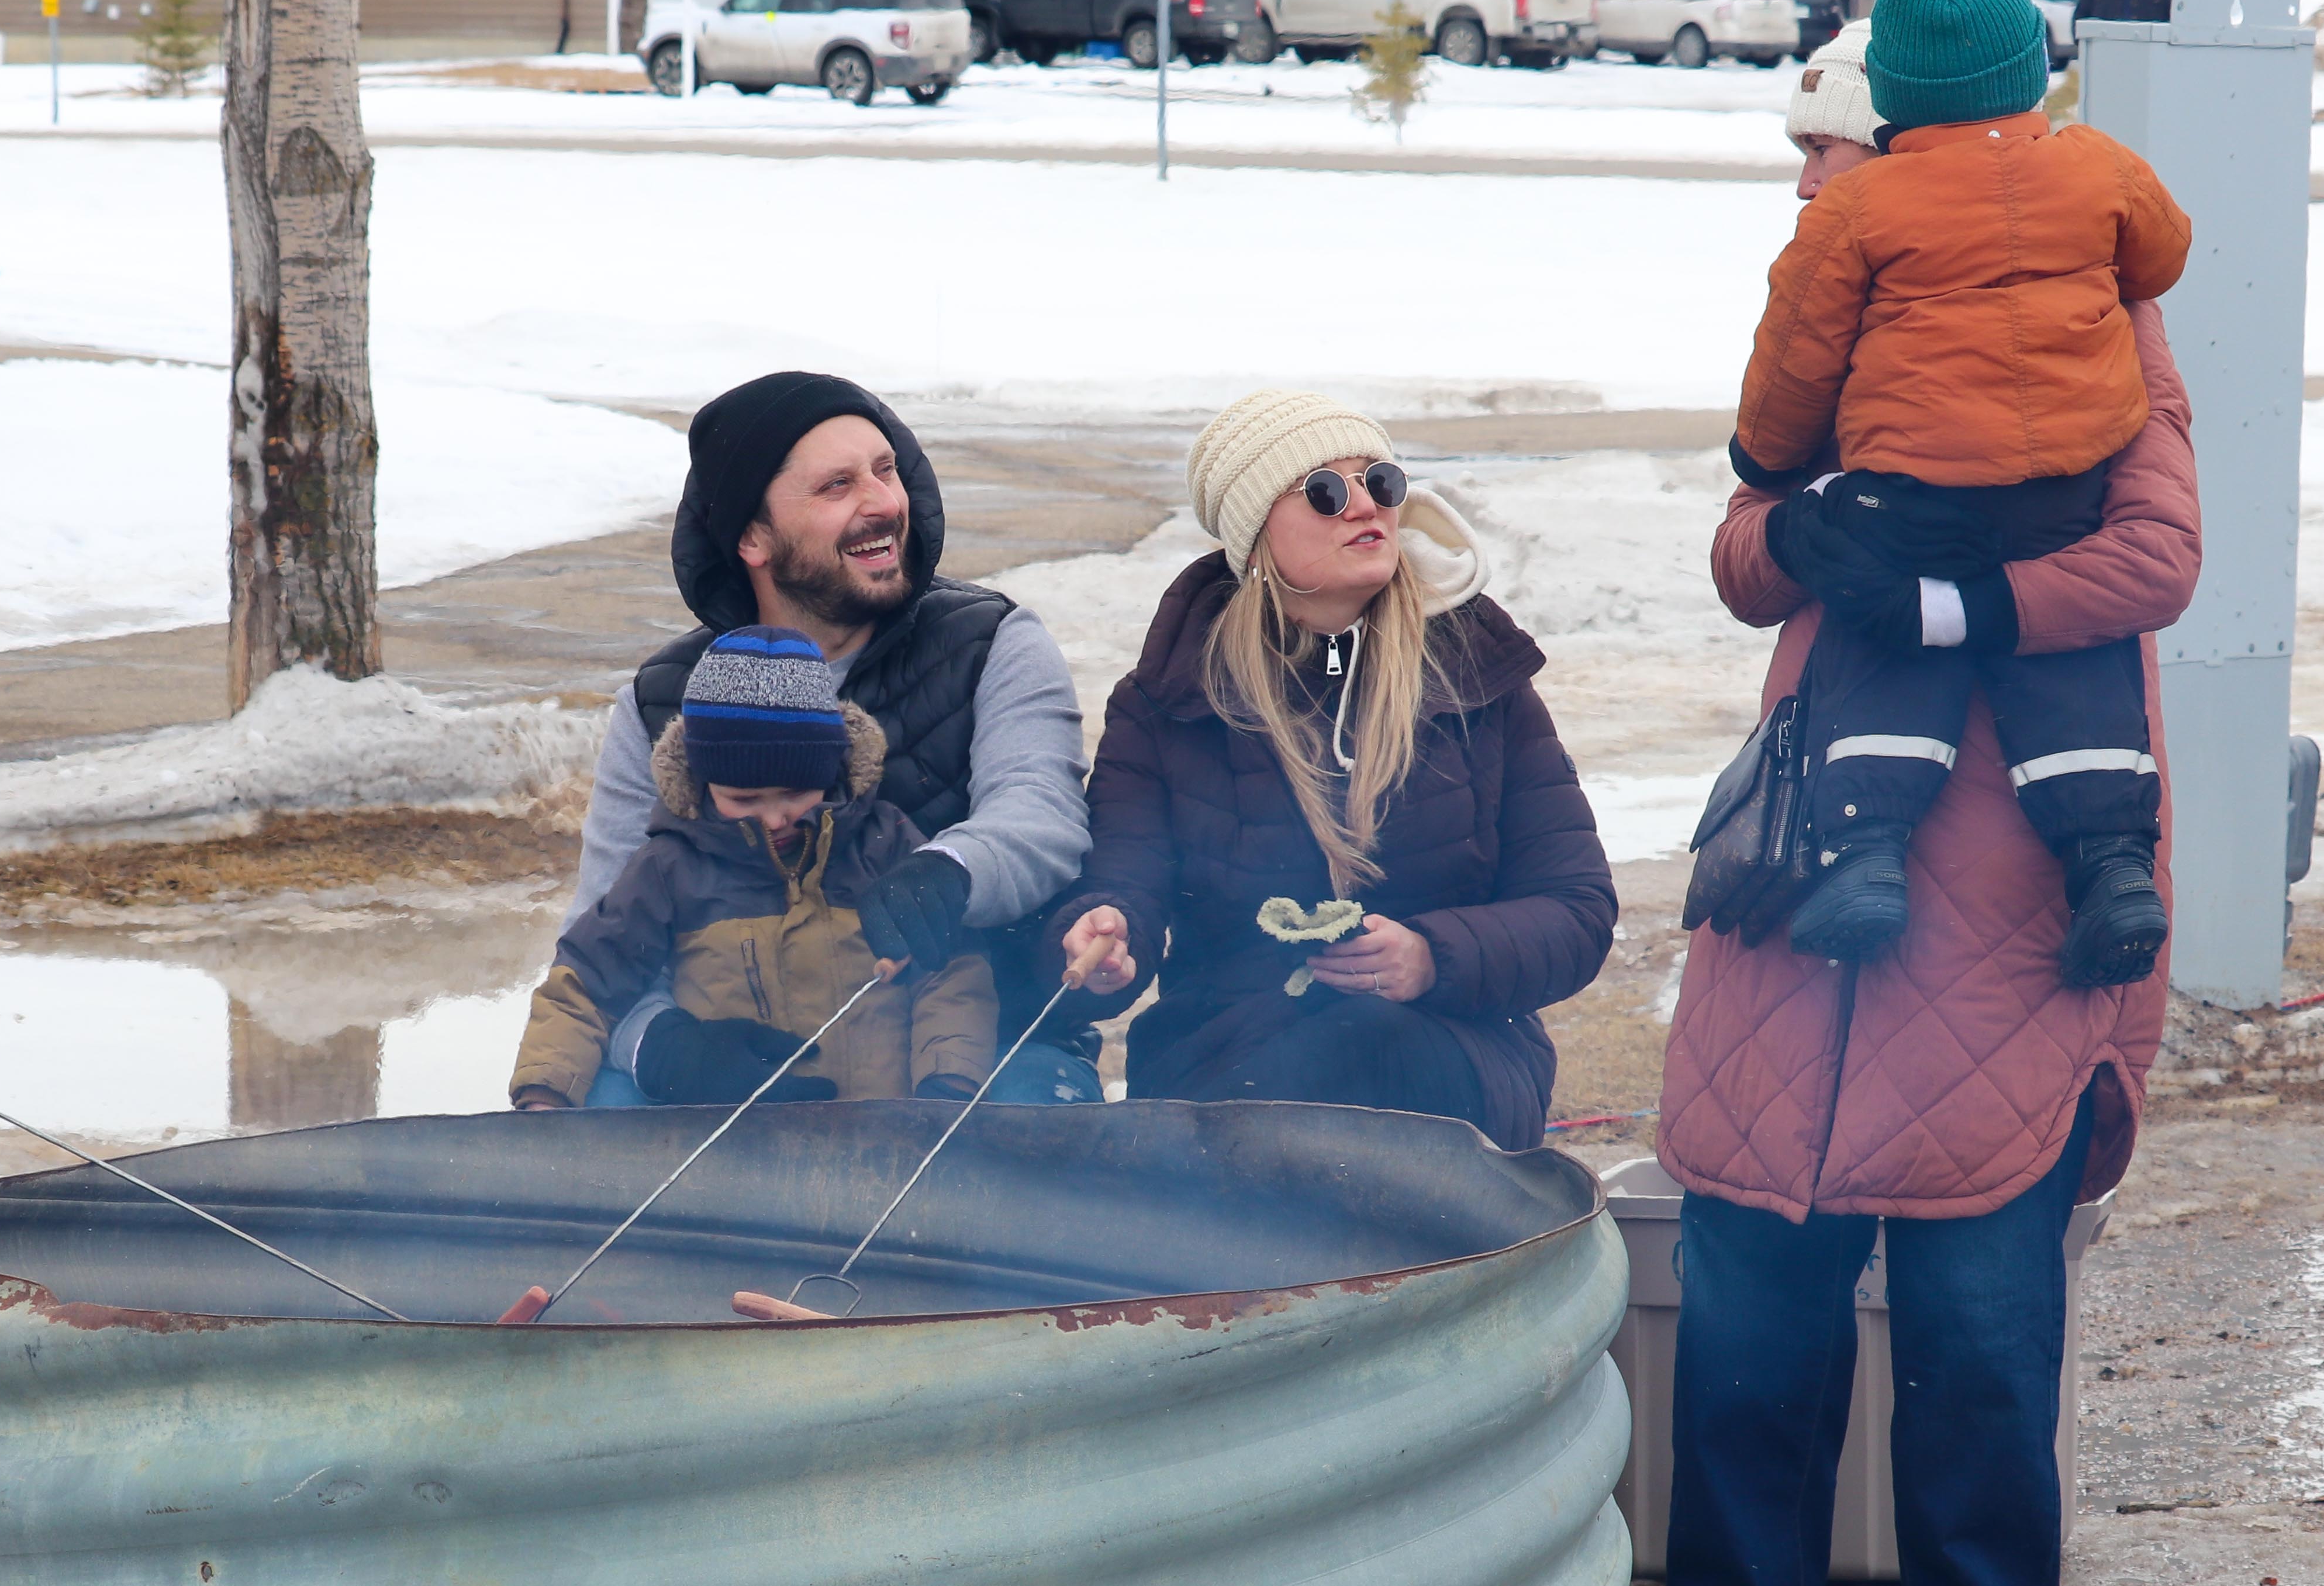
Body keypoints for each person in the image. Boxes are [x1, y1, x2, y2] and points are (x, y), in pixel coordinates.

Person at [1655, 54, 2202, 1586]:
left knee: (1976, 1291)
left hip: (2013, 880)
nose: (1804, 186)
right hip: (1811, 855)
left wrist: (1943, 601)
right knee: (1752, 1257)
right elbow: (1740, 548)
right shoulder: (1830, 328)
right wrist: (1804, 539)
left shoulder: (2096, 325)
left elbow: (2152, 559)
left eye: (1824, 153)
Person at [1729, 0, 2188, 988]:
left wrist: (1768, 458)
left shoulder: (1859, 216)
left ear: (1891, 113)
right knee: (2077, 667)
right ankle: (2112, 860)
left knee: (1882, 632)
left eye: (1822, 150)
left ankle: (1862, 846)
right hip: (2063, 487)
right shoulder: (2097, 166)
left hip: (1912, 493)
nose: (1805, 183)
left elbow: (1790, 356)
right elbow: (2164, 245)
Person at [1045, 391, 1614, 1144]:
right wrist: (1109, 933)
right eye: (1323, 491)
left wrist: (1432, 957)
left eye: (1379, 481)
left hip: (1453, 1050)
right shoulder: (1170, 699)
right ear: (1254, 539)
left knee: (1369, 1041)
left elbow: (1575, 908)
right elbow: (1125, 881)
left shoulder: (1476, 672)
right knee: (1299, 1071)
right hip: (1228, 1053)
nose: (1364, 506)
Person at [567, 372, 1095, 1108]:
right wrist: (660, 1043)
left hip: (980, 1044)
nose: (883, 503)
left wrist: (951, 869)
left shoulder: (990, 642)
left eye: (886, 471)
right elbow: (596, 937)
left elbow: (1043, 815)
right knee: (601, 1106)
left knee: (1023, 1119)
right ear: (751, 536)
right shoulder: (664, 698)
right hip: (746, 1059)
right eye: (836, 486)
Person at [513, 629, 996, 1109]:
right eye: (745, 799)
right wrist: (542, 1096)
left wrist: (947, 1087)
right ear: (704, 782)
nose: (775, 818)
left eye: (796, 792)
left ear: (830, 769)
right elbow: (587, 984)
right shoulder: (668, 867)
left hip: (886, 1131)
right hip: (730, 1145)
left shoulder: (885, 843)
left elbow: (951, 971)